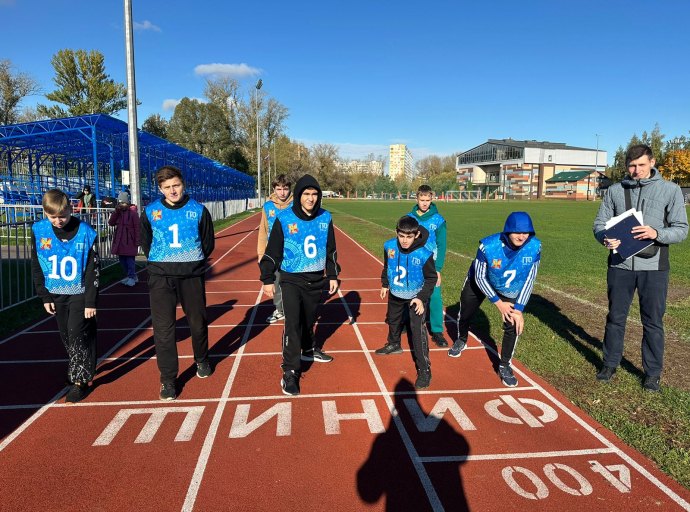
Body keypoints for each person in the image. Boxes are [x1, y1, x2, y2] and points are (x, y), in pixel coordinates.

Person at [593, 144, 688, 392]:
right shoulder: (614, 191)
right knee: (615, 318)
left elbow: (681, 229)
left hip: (655, 267)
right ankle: (610, 363)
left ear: (652, 162)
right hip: (620, 265)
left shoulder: (671, 190)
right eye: (632, 166)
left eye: (642, 165)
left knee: (653, 322)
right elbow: (599, 224)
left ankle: (653, 373)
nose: (637, 171)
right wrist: (604, 237)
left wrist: (656, 233)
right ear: (626, 166)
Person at [139, 165, 216, 400]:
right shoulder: (151, 212)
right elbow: (146, 243)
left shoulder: (199, 210)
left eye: (176, 185)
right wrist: (164, 262)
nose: (173, 191)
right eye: (167, 187)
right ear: (160, 189)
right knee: (164, 330)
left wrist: (190, 261)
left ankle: (201, 359)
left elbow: (207, 242)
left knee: (198, 322)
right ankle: (168, 379)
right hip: (161, 277)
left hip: (191, 275)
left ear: (183, 184)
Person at [259, 174, 340, 396]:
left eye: (315, 194)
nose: (311, 198)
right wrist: (267, 278)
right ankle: (290, 371)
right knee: (293, 324)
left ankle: (308, 350)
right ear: (298, 195)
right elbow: (272, 251)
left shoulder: (325, 217)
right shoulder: (284, 218)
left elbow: (331, 249)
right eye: (306, 194)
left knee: (308, 319)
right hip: (291, 279)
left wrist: (332, 275)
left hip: (316, 279)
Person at [448, 212, 541, 388]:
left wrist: (518, 309)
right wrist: (498, 303)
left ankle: (505, 365)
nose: (522, 236)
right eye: (517, 232)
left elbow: (530, 279)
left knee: (513, 323)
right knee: (465, 312)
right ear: (507, 231)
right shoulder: (488, 246)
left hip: (510, 286)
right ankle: (461, 338)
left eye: (526, 232)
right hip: (480, 281)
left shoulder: (535, 247)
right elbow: (480, 277)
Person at [31, 189, 100, 403]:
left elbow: (93, 270)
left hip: (79, 292)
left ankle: (81, 381)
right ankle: (78, 367)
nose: (58, 221)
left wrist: (91, 300)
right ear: (45, 213)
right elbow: (36, 265)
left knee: (76, 332)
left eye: (62, 216)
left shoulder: (86, 232)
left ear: (71, 210)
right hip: (55, 292)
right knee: (66, 336)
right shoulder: (39, 230)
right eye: (53, 217)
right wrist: (44, 296)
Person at [374, 216, 437, 389]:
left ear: (416, 235)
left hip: (415, 298)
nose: (405, 240)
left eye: (409, 237)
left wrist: (421, 297)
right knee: (393, 320)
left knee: (417, 332)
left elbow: (431, 278)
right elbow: (387, 266)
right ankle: (394, 344)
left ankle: (424, 369)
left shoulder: (424, 254)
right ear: (396, 233)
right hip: (395, 293)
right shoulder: (389, 246)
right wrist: (385, 284)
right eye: (401, 236)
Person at [406, 185, 449, 347]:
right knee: (408, 294)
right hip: (412, 263)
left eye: (428, 200)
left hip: (431, 265)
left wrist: (438, 269)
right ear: (416, 199)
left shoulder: (439, 220)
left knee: (435, 297)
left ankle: (437, 331)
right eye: (422, 200)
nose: (424, 203)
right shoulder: (409, 217)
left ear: (432, 200)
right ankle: (406, 323)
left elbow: (442, 245)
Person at [257, 174, 293, 324]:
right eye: (279, 189)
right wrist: (261, 253)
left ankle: (294, 309)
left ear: (290, 189)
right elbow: (263, 231)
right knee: (276, 282)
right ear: (274, 189)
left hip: (292, 251)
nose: (282, 193)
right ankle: (280, 310)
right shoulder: (268, 206)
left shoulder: (296, 204)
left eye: (285, 189)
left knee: (292, 283)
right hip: (273, 253)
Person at [109, 191, 140, 287]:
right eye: (120, 203)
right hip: (119, 240)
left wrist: (137, 240)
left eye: (124, 203)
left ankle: (131, 276)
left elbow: (137, 227)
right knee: (122, 259)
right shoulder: (118, 213)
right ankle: (131, 275)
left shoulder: (133, 214)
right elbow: (111, 223)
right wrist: (116, 212)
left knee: (130, 259)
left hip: (129, 240)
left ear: (128, 203)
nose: (122, 205)